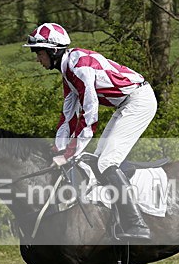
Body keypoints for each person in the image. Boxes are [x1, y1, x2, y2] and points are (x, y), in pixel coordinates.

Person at [23, 22, 157, 240]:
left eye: (39, 53)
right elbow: (67, 115)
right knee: (97, 160)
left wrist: (68, 154)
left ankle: (137, 223)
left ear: (53, 51)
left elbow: (89, 115)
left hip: (139, 101)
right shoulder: (68, 71)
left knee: (106, 162)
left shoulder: (80, 68)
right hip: (126, 103)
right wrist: (59, 147)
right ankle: (116, 217)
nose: (37, 59)